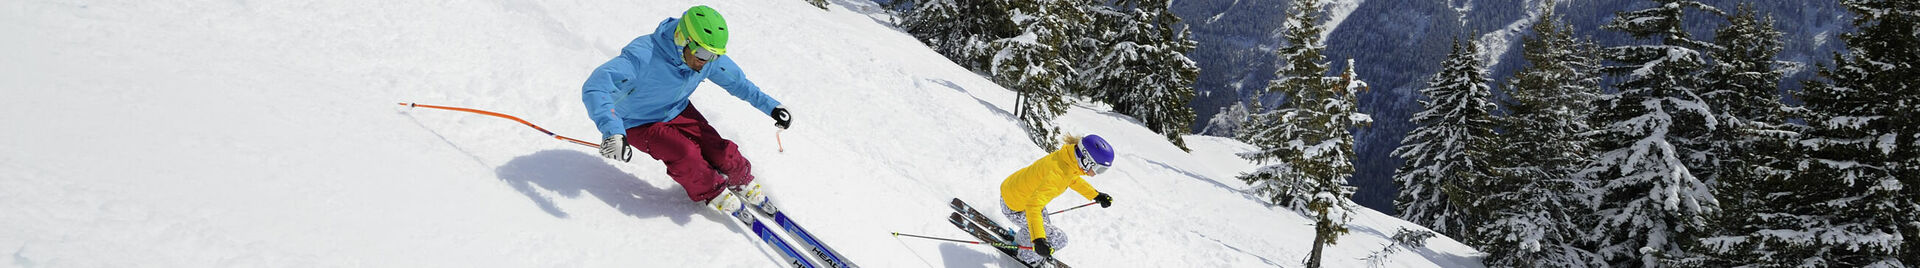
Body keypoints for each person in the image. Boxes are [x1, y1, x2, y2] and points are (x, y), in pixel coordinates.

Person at [581, 5, 791, 213]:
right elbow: (596, 86)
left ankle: (740, 179)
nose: (706, 61)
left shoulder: (705, 57)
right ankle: (711, 190)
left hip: (676, 109)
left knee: (719, 150)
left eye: (714, 55)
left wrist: (772, 107)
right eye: (702, 53)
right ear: (683, 39)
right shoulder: (643, 55)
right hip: (636, 122)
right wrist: (613, 132)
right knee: (685, 152)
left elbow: (739, 83)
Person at [999, 134, 1118, 265]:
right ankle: (1027, 258)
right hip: (1016, 206)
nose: (1096, 173)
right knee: (1058, 238)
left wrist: (1095, 195)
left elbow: (1072, 179)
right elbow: (1033, 206)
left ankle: (1023, 240)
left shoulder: (1068, 160)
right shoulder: (1057, 174)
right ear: (1086, 160)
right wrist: (1038, 240)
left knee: (1044, 230)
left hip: (1017, 192)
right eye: (1099, 169)